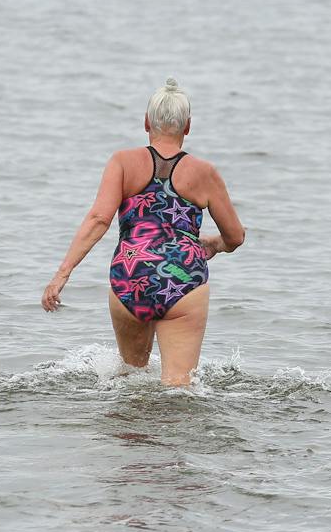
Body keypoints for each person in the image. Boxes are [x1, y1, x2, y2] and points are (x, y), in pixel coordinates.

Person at [41, 79, 246, 386]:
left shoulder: (122, 162)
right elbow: (236, 236)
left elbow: (99, 219)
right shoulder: (204, 173)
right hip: (183, 279)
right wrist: (214, 245)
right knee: (178, 388)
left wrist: (62, 275)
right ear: (187, 127)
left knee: (131, 379)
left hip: (130, 274)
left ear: (146, 121)